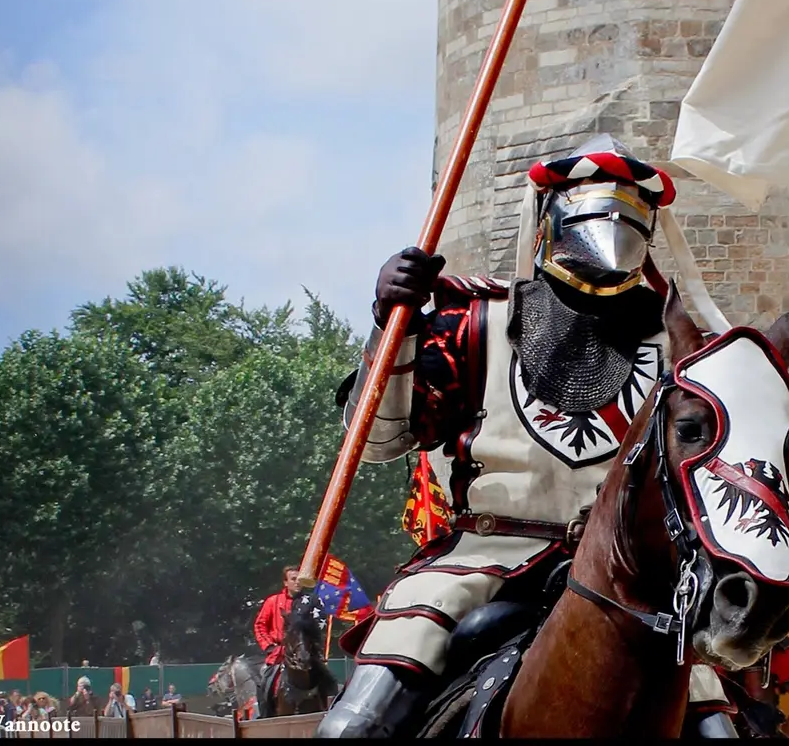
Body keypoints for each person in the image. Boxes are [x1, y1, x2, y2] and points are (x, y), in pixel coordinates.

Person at [320, 135, 715, 738]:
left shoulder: (683, 348)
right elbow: (376, 440)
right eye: (591, 216)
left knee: (730, 720)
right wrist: (391, 325)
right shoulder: (476, 323)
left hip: (630, 576)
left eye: (627, 220)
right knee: (354, 729)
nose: (608, 236)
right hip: (480, 561)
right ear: (551, 220)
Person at [254, 565, 302, 667]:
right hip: (278, 656)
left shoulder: (309, 602)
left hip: (303, 654)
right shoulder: (273, 601)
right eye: (293, 579)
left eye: (300, 579)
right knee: (266, 680)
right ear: (285, 583)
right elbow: (260, 625)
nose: (297, 582)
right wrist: (269, 646)